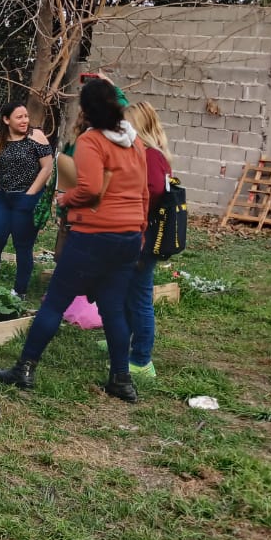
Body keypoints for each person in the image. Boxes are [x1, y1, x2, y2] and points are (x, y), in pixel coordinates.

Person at [0, 78, 148, 402]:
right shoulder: (135, 144)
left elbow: (90, 188)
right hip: (128, 236)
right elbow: (143, 192)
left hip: (93, 236)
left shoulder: (92, 141)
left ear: (88, 109)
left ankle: (24, 369)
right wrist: (140, 228)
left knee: (54, 302)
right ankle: (121, 379)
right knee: (114, 310)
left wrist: (66, 200)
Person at [0, 101, 54, 296]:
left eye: (26, 116)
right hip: (3, 199)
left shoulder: (36, 136)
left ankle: (19, 291)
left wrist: (31, 194)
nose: (25, 121)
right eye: (19, 117)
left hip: (27, 198)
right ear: (7, 120)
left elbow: (48, 167)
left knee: (22, 245)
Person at [123, 101, 173, 379]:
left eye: (125, 123)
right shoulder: (147, 153)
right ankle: (123, 339)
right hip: (137, 233)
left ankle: (141, 360)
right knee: (128, 292)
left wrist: (131, 213)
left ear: (137, 126)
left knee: (140, 296)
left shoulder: (151, 155)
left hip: (143, 236)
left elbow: (152, 192)